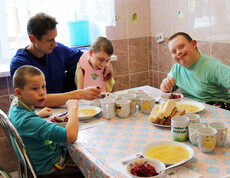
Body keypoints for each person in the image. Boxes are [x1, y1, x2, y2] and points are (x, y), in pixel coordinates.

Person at [10, 12, 114, 107]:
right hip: (36, 115)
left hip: (61, 109)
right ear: (32, 39)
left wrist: (106, 63)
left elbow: (87, 55)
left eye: (55, 38)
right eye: (50, 40)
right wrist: (80, 94)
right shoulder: (20, 64)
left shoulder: (57, 50)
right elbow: (38, 100)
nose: (54, 43)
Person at [8, 65, 80, 176]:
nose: (42, 92)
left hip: (37, 160)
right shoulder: (29, 122)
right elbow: (71, 136)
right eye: (34, 88)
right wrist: (73, 108)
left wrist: (37, 114)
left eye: (43, 86)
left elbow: (25, 122)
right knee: (87, 160)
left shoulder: (15, 104)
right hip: (51, 165)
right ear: (19, 93)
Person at [160, 32, 230, 110]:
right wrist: (165, 85)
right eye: (174, 52)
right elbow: (165, 88)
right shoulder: (177, 67)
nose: (178, 52)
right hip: (192, 109)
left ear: (193, 44)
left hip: (218, 108)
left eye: (181, 47)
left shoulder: (214, 66)